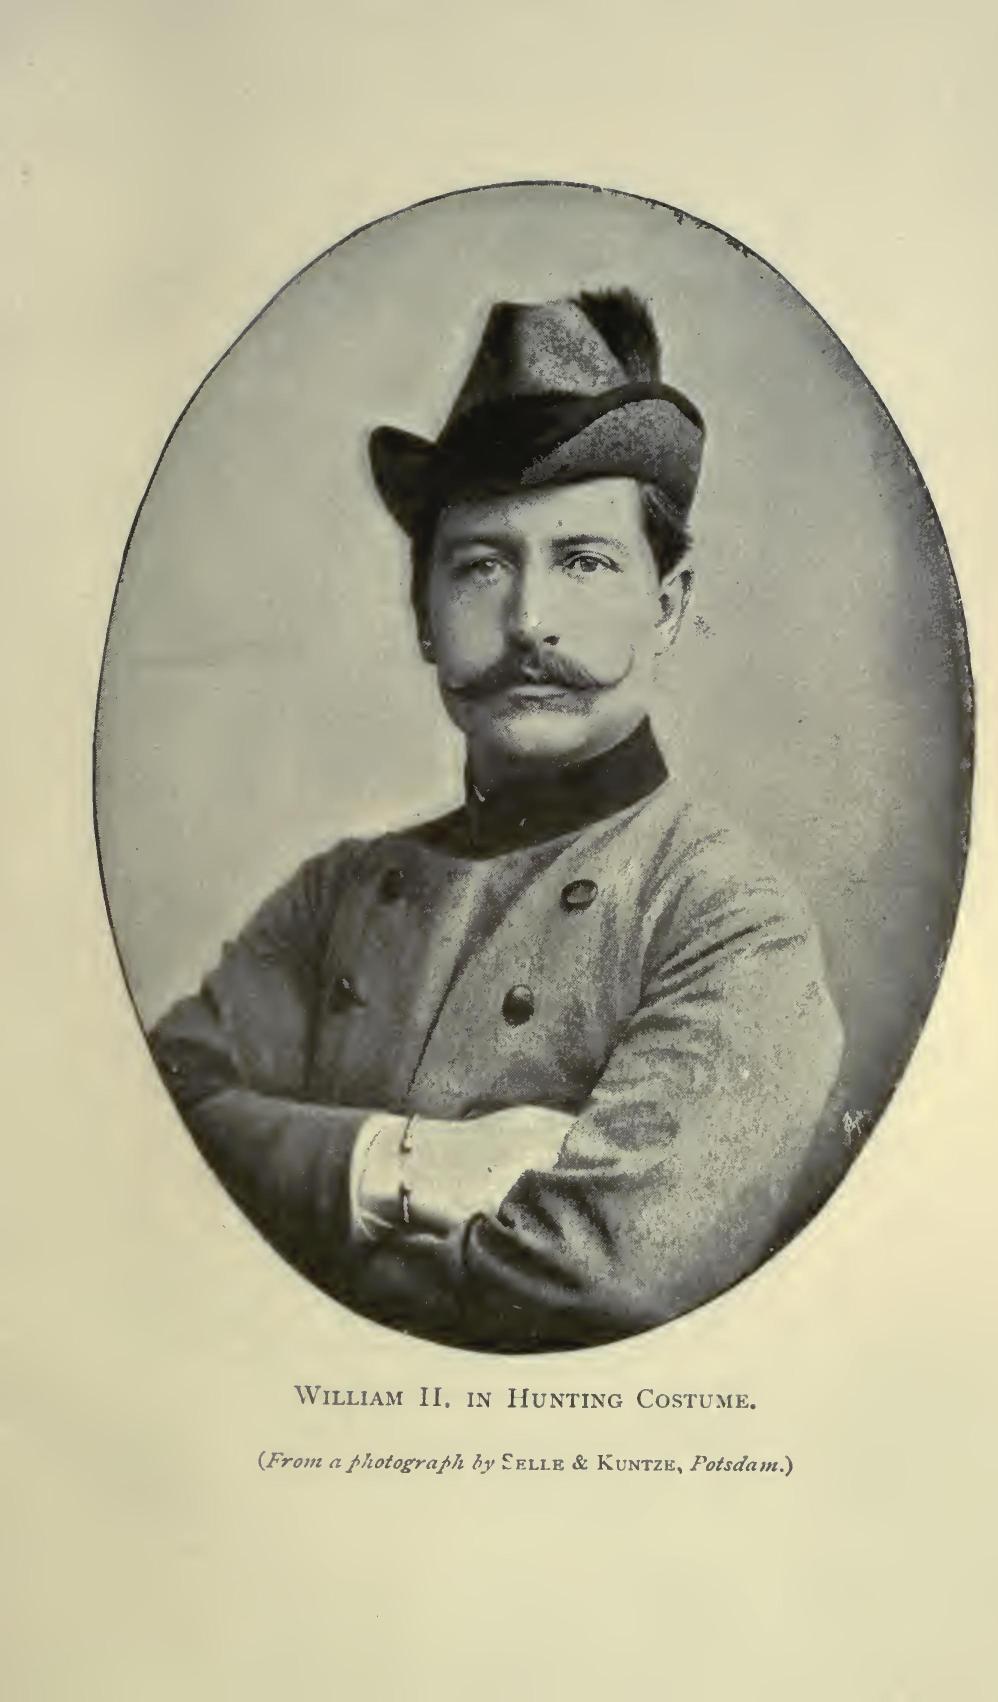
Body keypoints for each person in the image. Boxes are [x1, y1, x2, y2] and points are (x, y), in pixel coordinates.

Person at [149, 288, 843, 1350]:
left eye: (584, 560)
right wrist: (401, 1166)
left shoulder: (726, 921)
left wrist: (302, 1222)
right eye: (480, 565)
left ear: (667, 604)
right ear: (422, 614)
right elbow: (155, 1119)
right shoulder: (337, 892)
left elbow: (606, 1280)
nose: (528, 621)